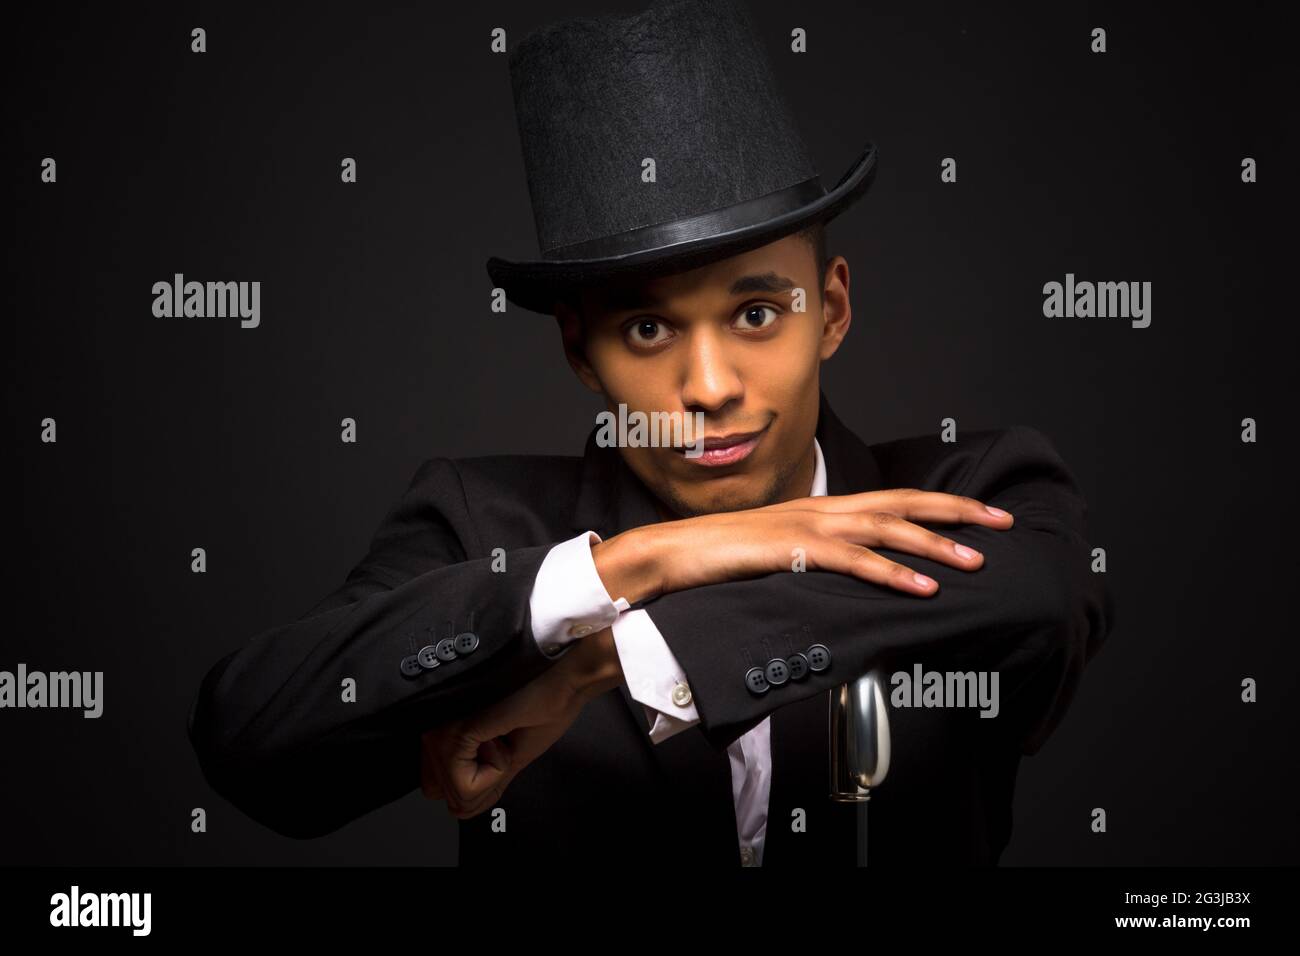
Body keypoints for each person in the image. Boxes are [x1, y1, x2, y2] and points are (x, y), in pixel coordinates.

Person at [187, 0, 1115, 867]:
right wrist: (629, 570)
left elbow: (1041, 601)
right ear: (581, 349)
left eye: (757, 313)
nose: (708, 388)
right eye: (647, 329)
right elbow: (252, 741)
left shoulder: (975, 483)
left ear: (829, 310)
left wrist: (612, 655)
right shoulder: (481, 529)